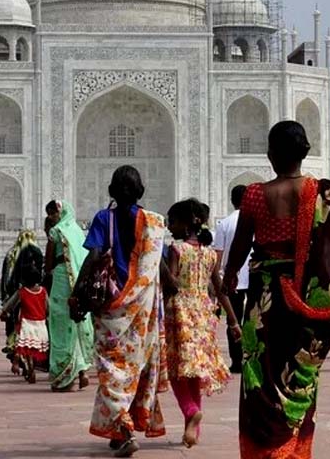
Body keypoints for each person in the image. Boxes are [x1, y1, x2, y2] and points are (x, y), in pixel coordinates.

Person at [221, 121, 330, 458]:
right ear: (306, 153)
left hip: (263, 298)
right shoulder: (317, 191)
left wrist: (229, 276)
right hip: (302, 294)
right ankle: (293, 449)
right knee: (298, 369)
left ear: (269, 154)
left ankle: (265, 450)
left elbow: (241, 245)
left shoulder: (253, 194)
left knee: (260, 372)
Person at [82, 165, 168, 457]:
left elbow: (93, 257)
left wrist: (77, 292)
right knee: (132, 370)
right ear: (141, 190)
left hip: (110, 309)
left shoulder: (103, 218)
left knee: (111, 371)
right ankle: (120, 430)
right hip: (142, 314)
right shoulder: (154, 223)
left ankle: (126, 428)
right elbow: (163, 271)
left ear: (112, 191)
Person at [164, 198, 235, 448]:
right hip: (204, 314)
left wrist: (159, 264)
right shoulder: (208, 254)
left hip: (180, 313)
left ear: (185, 224)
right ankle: (193, 431)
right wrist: (234, 323)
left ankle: (191, 410)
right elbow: (220, 289)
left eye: (172, 222)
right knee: (194, 372)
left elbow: (171, 284)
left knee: (176, 371)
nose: (169, 226)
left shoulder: (176, 249)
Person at [45, 199, 95, 392]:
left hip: (60, 280)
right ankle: (82, 370)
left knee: (60, 325)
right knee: (75, 323)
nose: (50, 218)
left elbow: (48, 265)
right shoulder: (77, 231)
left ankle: (64, 377)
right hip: (78, 284)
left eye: (52, 213)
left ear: (61, 212)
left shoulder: (56, 232)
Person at [213, 184, 250, 373]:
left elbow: (217, 257)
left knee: (233, 320)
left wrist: (218, 280)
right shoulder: (255, 222)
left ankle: (237, 361)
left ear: (232, 201)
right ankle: (251, 359)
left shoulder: (225, 224)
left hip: (231, 279)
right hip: (253, 278)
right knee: (253, 320)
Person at [0, 259, 49, 383]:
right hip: (41, 324)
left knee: (19, 344)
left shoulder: (22, 292)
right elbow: (48, 307)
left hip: (26, 323)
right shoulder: (43, 291)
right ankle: (32, 366)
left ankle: (17, 362)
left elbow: (9, 305)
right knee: (35, 347)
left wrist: (5, 313)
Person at [1, 230, 45, 369]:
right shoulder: (36, 252)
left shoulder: (12, 253)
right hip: (35, 292)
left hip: (16, 292)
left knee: (15, 326)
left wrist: (5, 298)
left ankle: (13, 349)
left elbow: (6, 277)